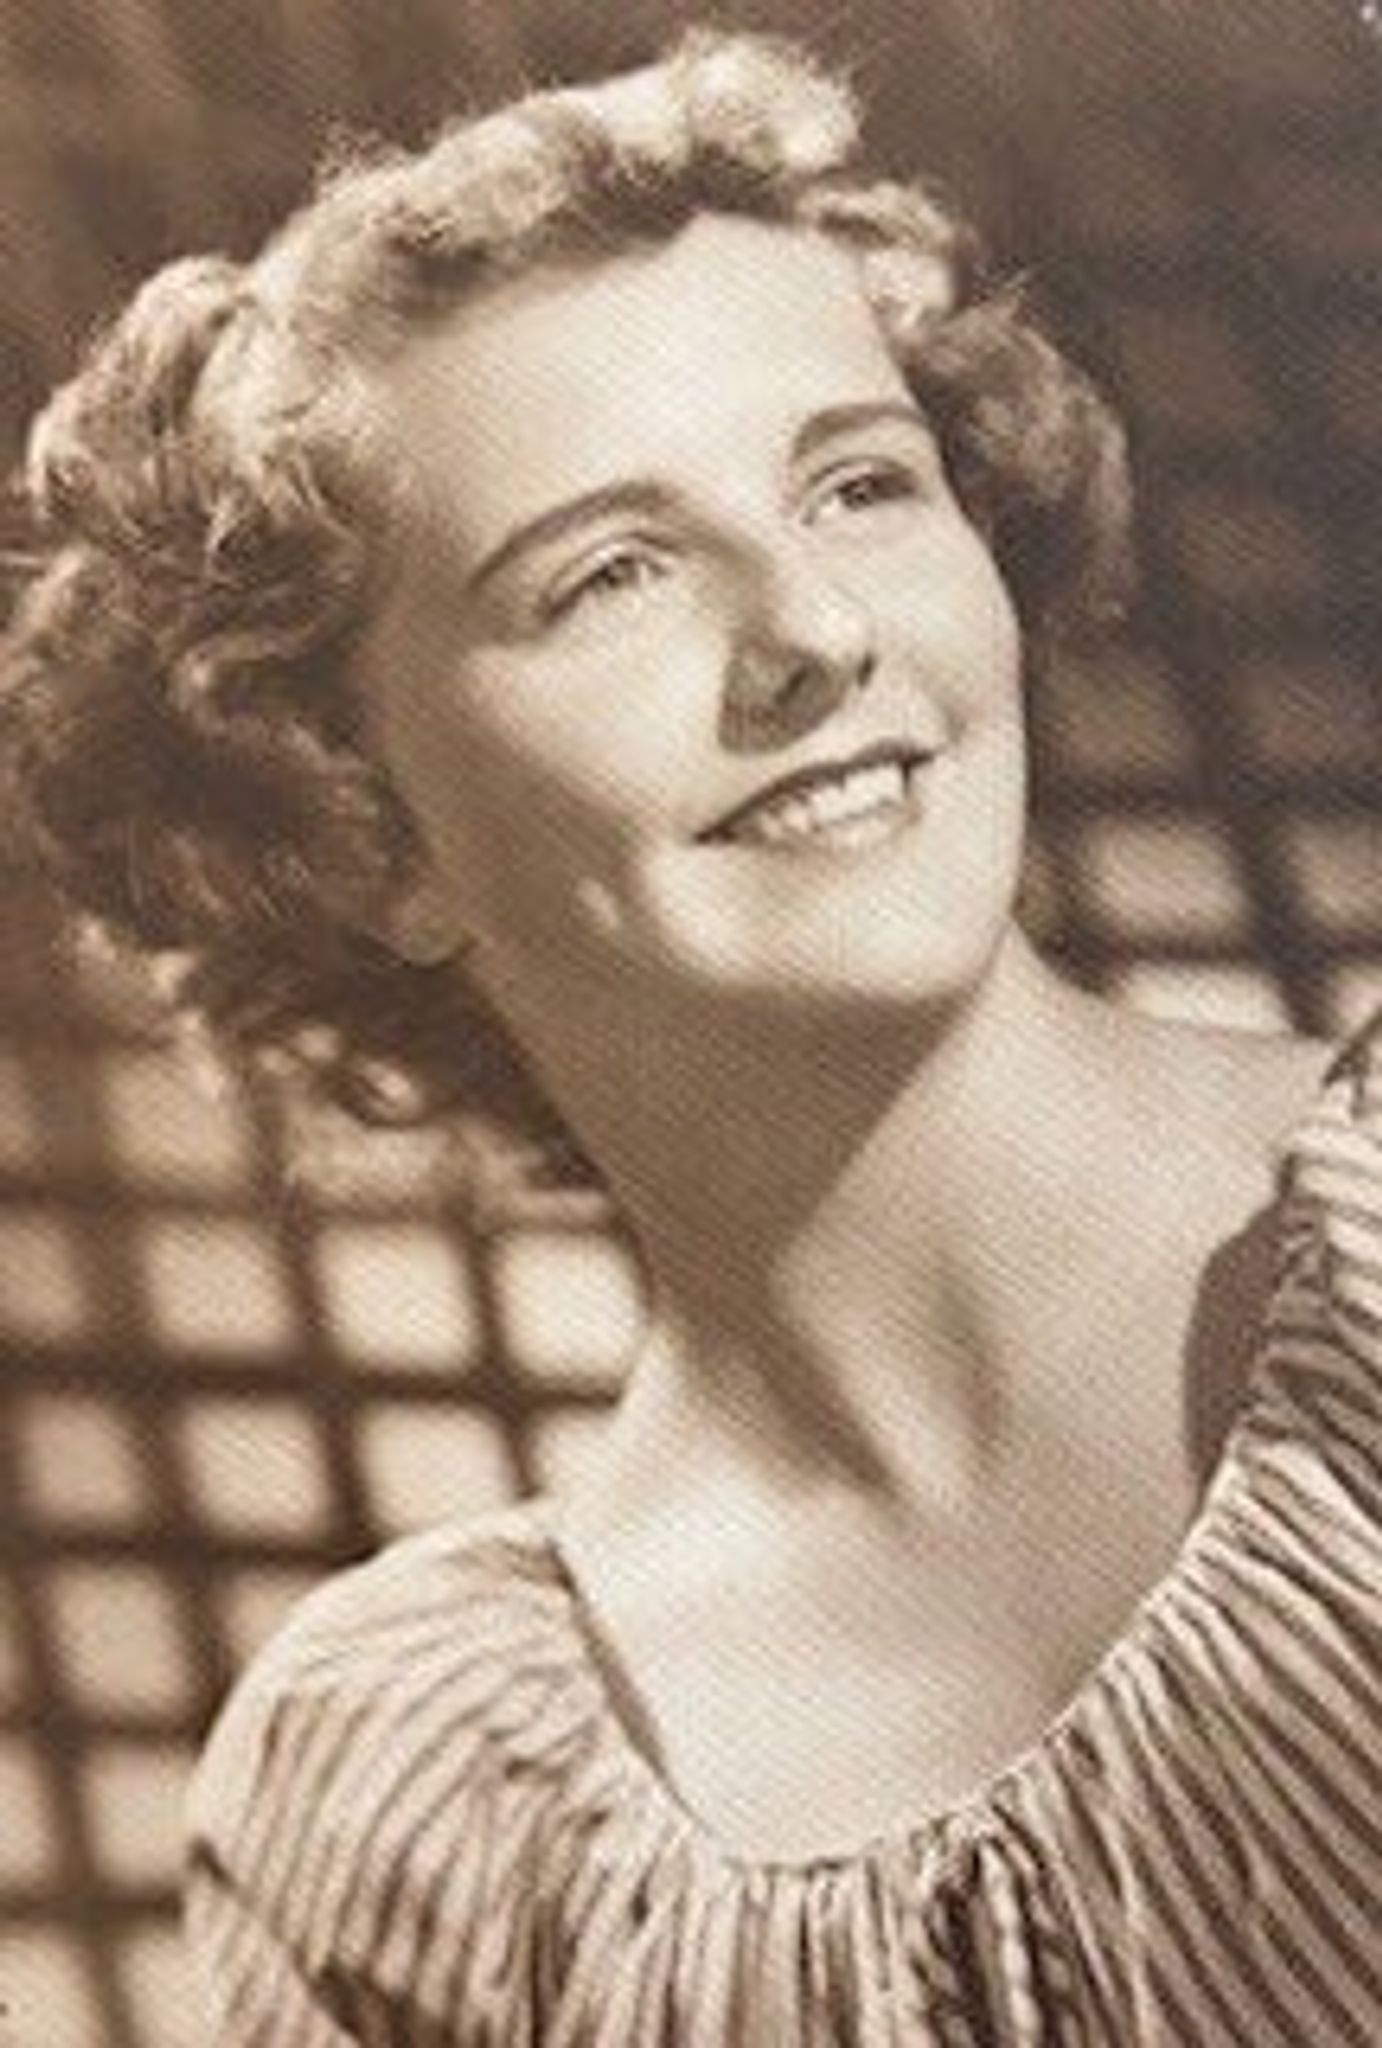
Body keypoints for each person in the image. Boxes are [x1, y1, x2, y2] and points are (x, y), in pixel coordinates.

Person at [3, 28, 1378, 2044]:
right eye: (611, 575)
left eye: (859, 483)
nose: (813, 633)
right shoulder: (418, 1820)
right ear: (358, 826)